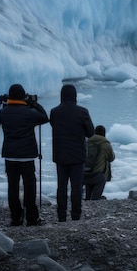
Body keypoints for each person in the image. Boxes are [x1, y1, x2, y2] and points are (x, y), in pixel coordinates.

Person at [0, 83, 49, 226]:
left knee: (12, 187)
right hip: (27, 155)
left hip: (10, 155)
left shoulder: (4, 112)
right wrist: (33, 104)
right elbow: (44, 118)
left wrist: (5, 103)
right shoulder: (28, 112)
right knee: (29, 186)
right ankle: (32, 218)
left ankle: (16, 218)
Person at [50, 84, 95, 221]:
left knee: (61, 186)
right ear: (75, 96)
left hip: (60, 155)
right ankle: (76, 215)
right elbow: (90, 133)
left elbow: (53, 124)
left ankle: (61, 215)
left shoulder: (54, 112)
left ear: (62, 95)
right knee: (76, 187)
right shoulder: (82, 112)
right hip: (77, 156)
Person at [83, 125, 115, 200]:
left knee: (89, 188)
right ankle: (95, 200)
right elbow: (111, 158)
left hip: (85, 173)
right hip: (97, 175)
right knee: (100, 181)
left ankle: (88, 200)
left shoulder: (87, 142)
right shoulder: (105, 144)